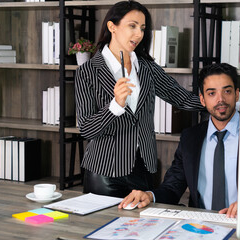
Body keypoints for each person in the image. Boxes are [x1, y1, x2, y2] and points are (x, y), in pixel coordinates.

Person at [74, 0, 203, 198]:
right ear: (112, 26)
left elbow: (181, 98)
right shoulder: (87, 72)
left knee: (140, 228)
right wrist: (115, 106)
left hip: (143, 169)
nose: (139, 34)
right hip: (104, 172)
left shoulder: (147, 68)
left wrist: (218, 104)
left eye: (142, 28)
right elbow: (86, 129)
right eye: (132, 26)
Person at [119, 63, 240, 218]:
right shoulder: (190, 138)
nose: (220, 99)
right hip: (202, 226)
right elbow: (172, 187)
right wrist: (149, 196)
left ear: (237, 94)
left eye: (227, 91)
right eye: (211, 94)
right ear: (202, 100)